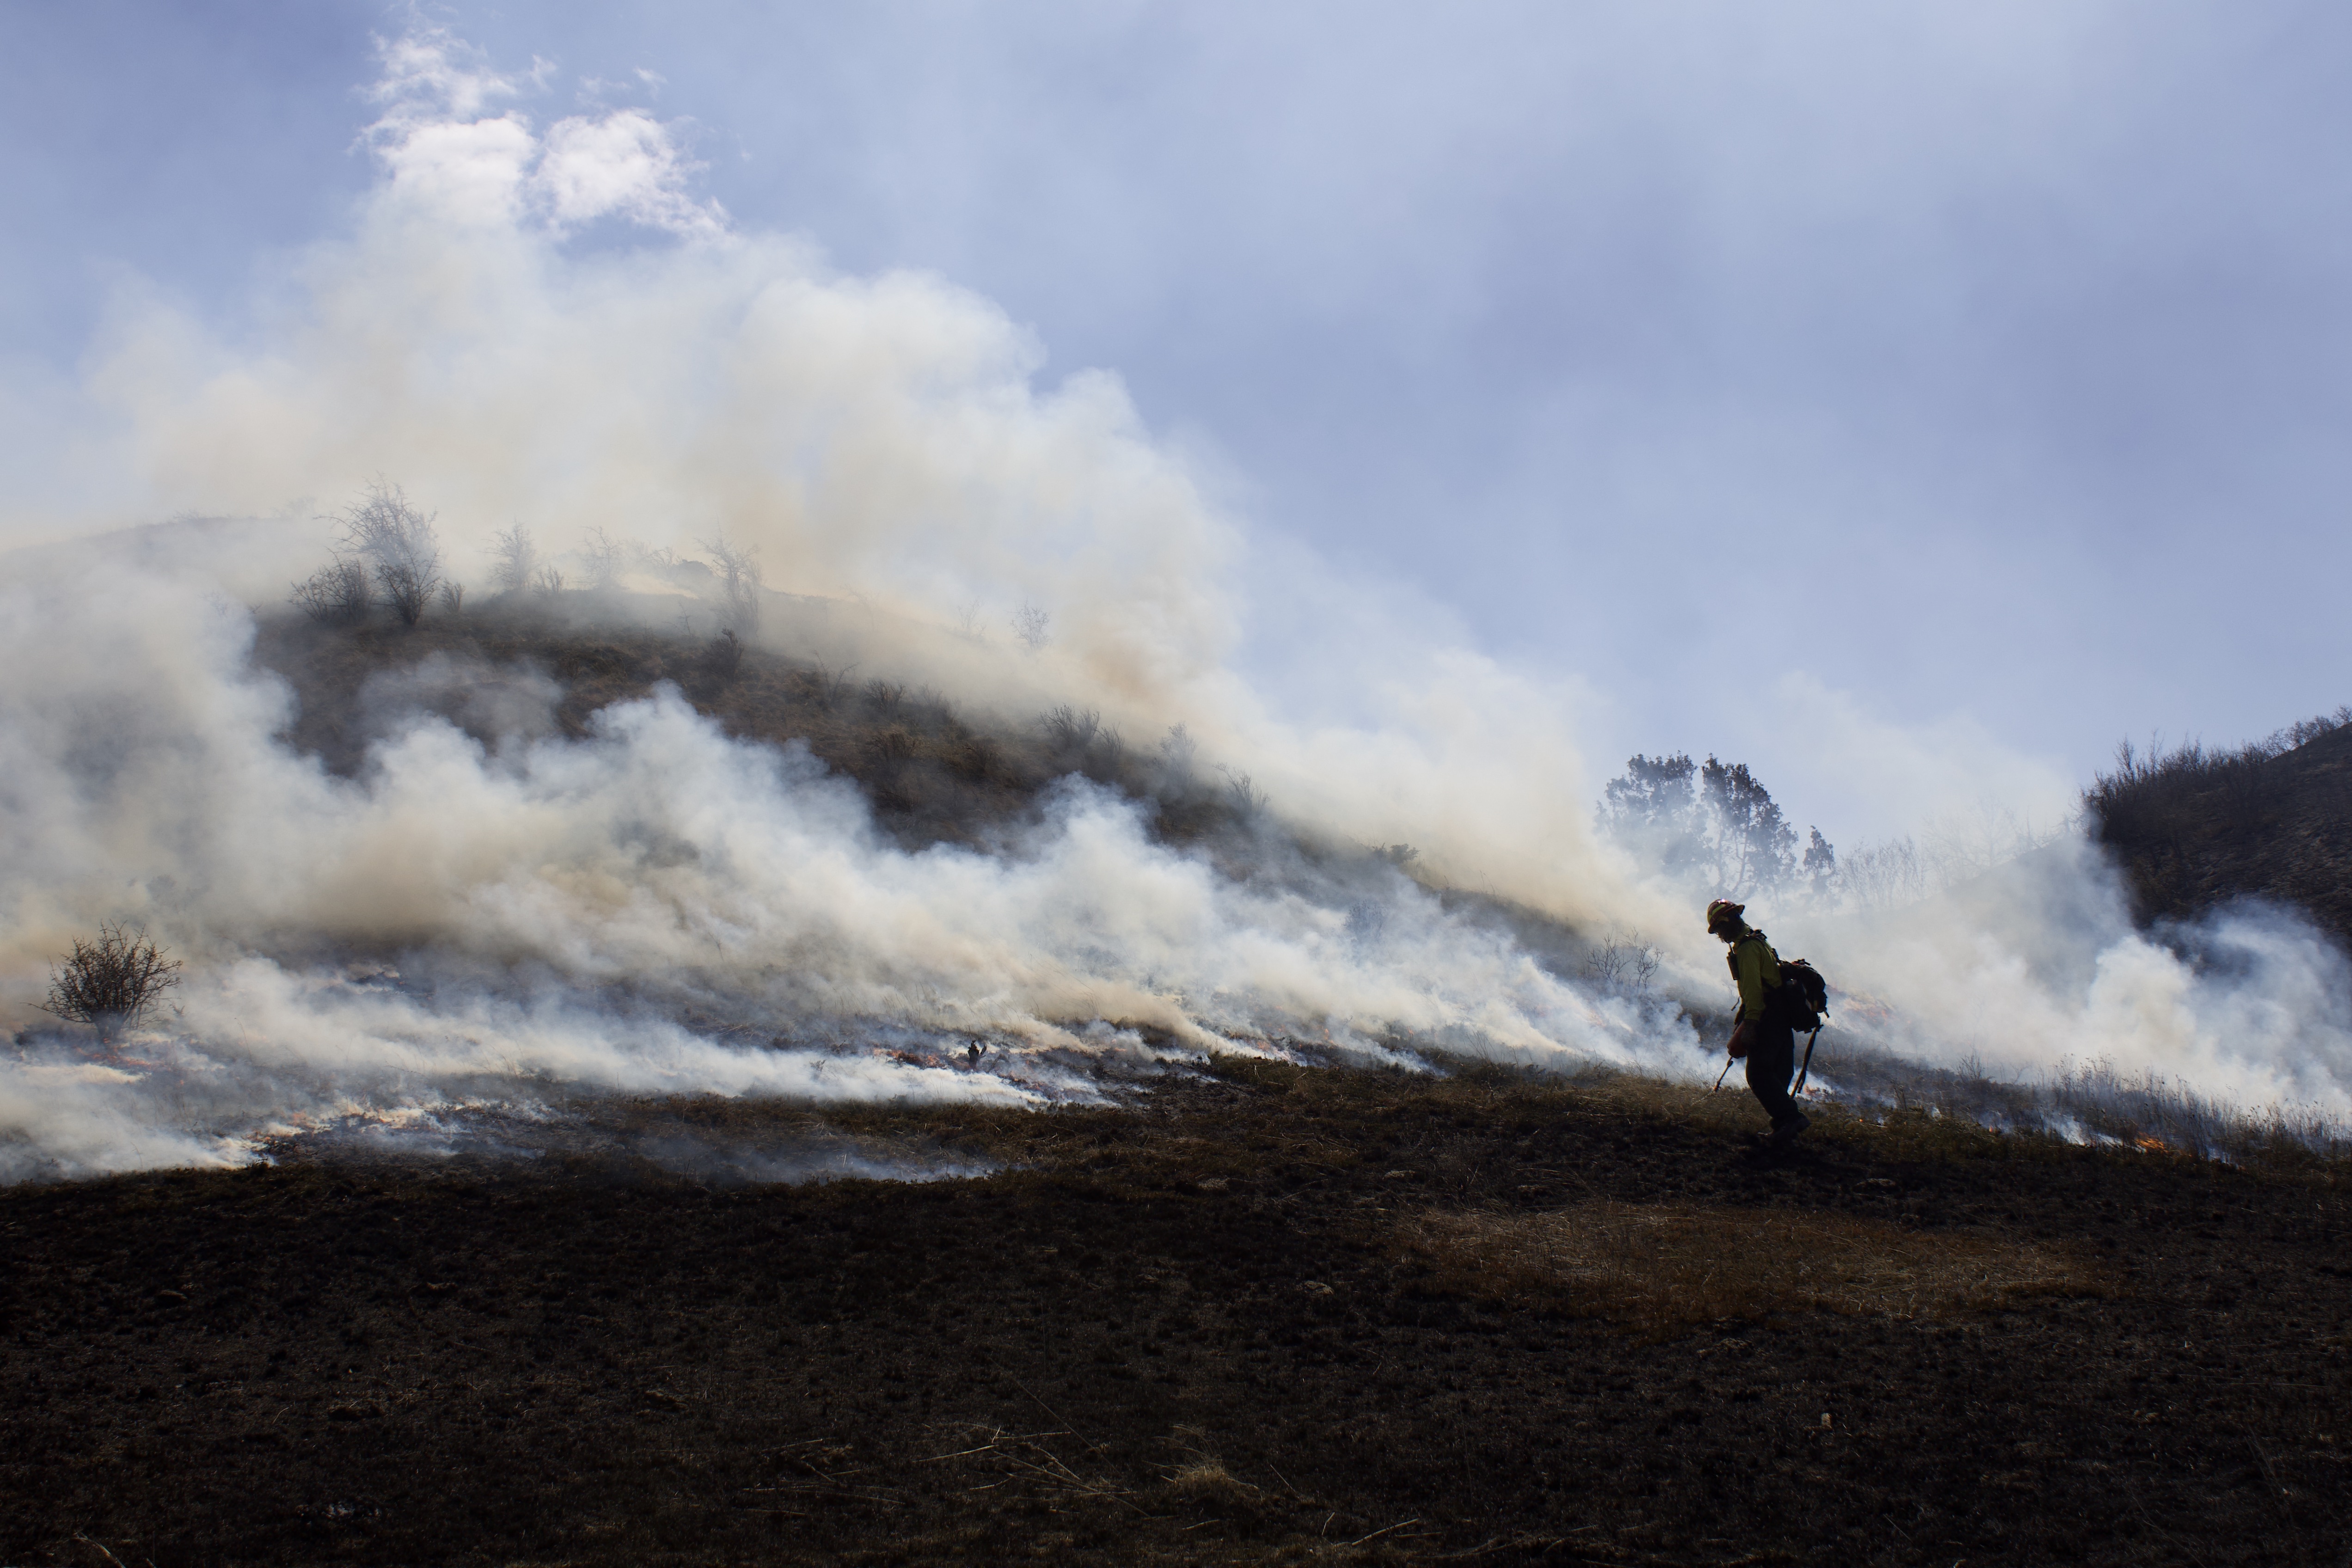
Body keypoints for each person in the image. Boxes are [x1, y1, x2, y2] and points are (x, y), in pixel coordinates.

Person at [1706, 898, 1809, 1146]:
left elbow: (1753, 990)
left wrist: (1751, 1024)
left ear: (1728, 922)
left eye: (1720, 929)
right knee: (1778, 1072)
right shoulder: (1757, 940)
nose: (1720, 935)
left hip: (1767, 1016)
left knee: (1758, 1073)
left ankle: (1791, 1118)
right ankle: (1786, 1130)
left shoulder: (1747, 949)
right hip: (1780, 1013)